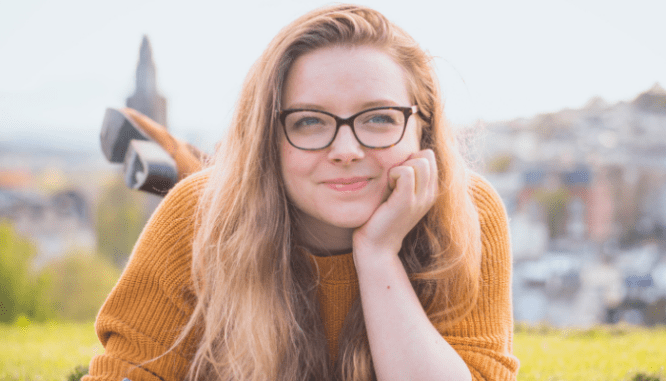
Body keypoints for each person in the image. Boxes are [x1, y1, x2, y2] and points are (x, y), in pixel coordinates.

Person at [83, 4, 519, 381]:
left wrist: (379, 254)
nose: (347, 150)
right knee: (217, 194)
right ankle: (186, 159)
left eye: (379, 118)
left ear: (423, 128)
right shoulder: (196, 215)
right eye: (309, 121)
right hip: (233, 193)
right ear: (268, 138)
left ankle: (179, 156)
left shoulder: (468, 213)